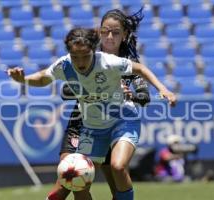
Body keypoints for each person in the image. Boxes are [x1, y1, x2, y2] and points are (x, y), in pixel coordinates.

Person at [7, 27, 177, 200]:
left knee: (117, 167)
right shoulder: (64, 65)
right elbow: (43, 77)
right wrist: (23, 79)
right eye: (75, 57)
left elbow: (140, 68)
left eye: (85, 56)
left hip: (123, 120)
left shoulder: (107, 62)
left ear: (93, 51)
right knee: (77, 181)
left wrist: (164, 89)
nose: (80, 62)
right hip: (93, 129)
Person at [48, 8, 150, 200]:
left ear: (125, 34)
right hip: (83, 122)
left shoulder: (129, 62)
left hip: (114, 124)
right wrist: (96, 91)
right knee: (68, 177)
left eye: (115, 32)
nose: (109, 36)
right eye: (105, 31)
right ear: (99, 32)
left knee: (115, 185)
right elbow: (65, 90)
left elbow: (144, 95)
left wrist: (131, 96)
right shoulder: (87, 53)